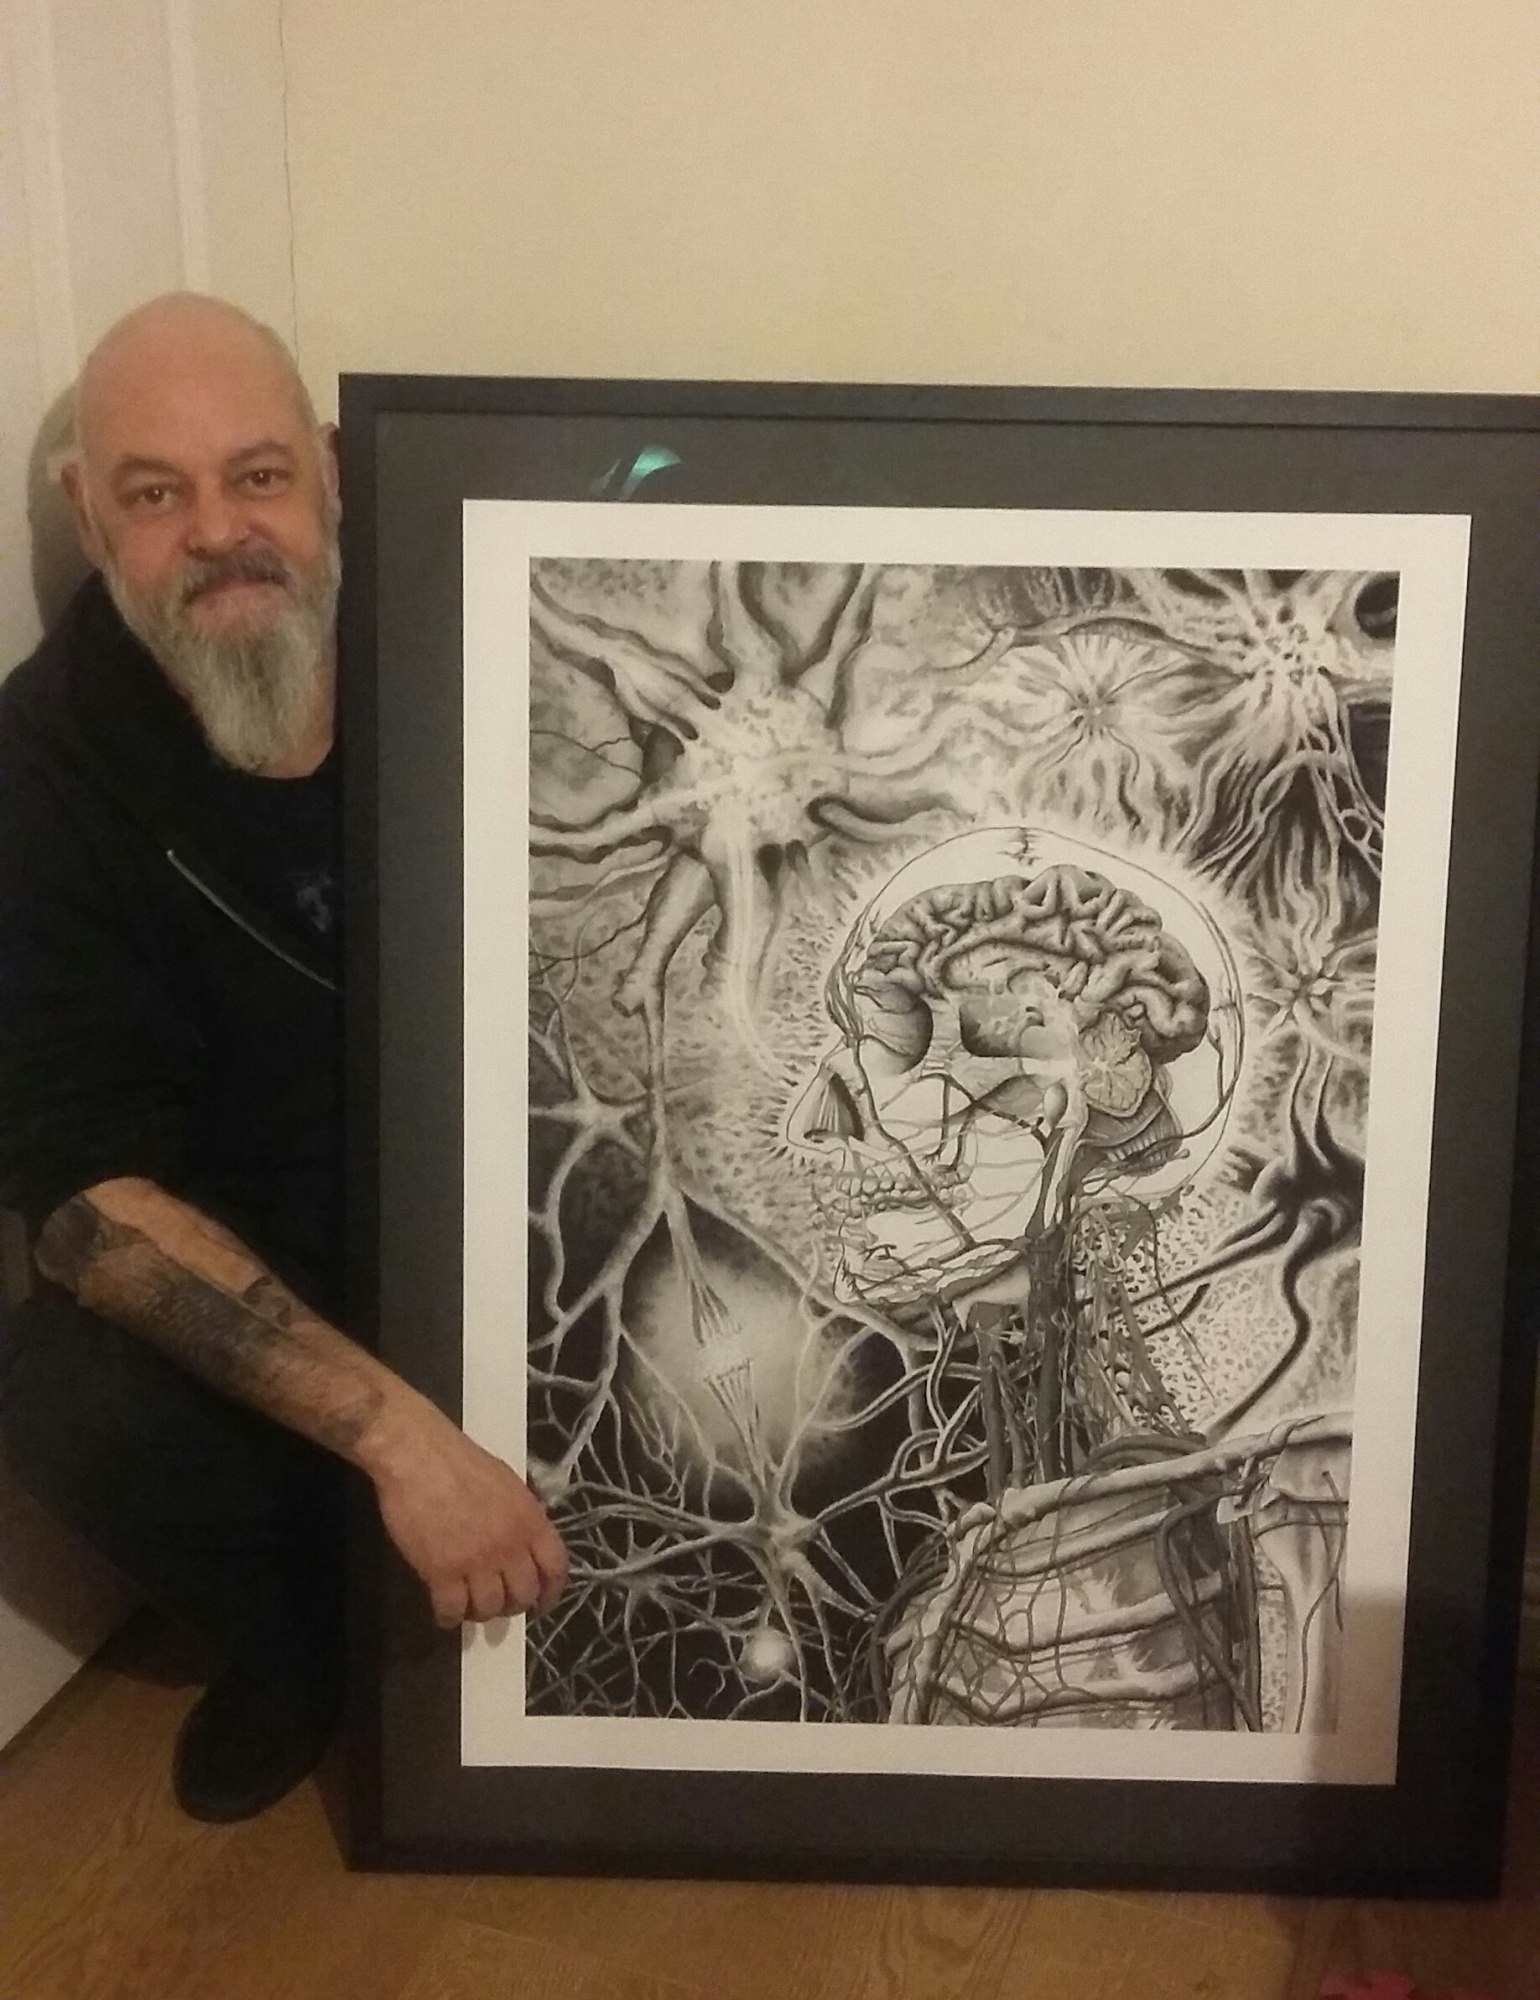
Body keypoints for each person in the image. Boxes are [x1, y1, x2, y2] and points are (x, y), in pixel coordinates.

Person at [0, 293, 568, 1822]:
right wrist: (400, 1442)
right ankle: (300, 1644)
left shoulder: (482, 616)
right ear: (87, 516)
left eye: (254, 476)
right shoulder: (39, 767)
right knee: (60, 1393)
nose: (217, 532)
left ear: (326, 471)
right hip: (268, 1260)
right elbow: (81, 1197)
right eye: (154, 494)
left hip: (519, 1200)